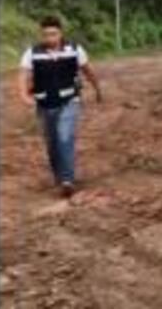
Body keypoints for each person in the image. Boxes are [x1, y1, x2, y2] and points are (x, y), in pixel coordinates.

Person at [17, 16, 102, 198]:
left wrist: (97, 88)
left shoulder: (74, 50)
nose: (50, 38)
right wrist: (24, 95)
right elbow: (23, 75)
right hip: (45, 104)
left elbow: (88, 70)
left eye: (53, 34)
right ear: (41, 35)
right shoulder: (32, 53)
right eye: (46, 35)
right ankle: (59, 176)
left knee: (65, 136)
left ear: (60, 33)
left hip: (69, 101)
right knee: (52, 143)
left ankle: (67, 180)